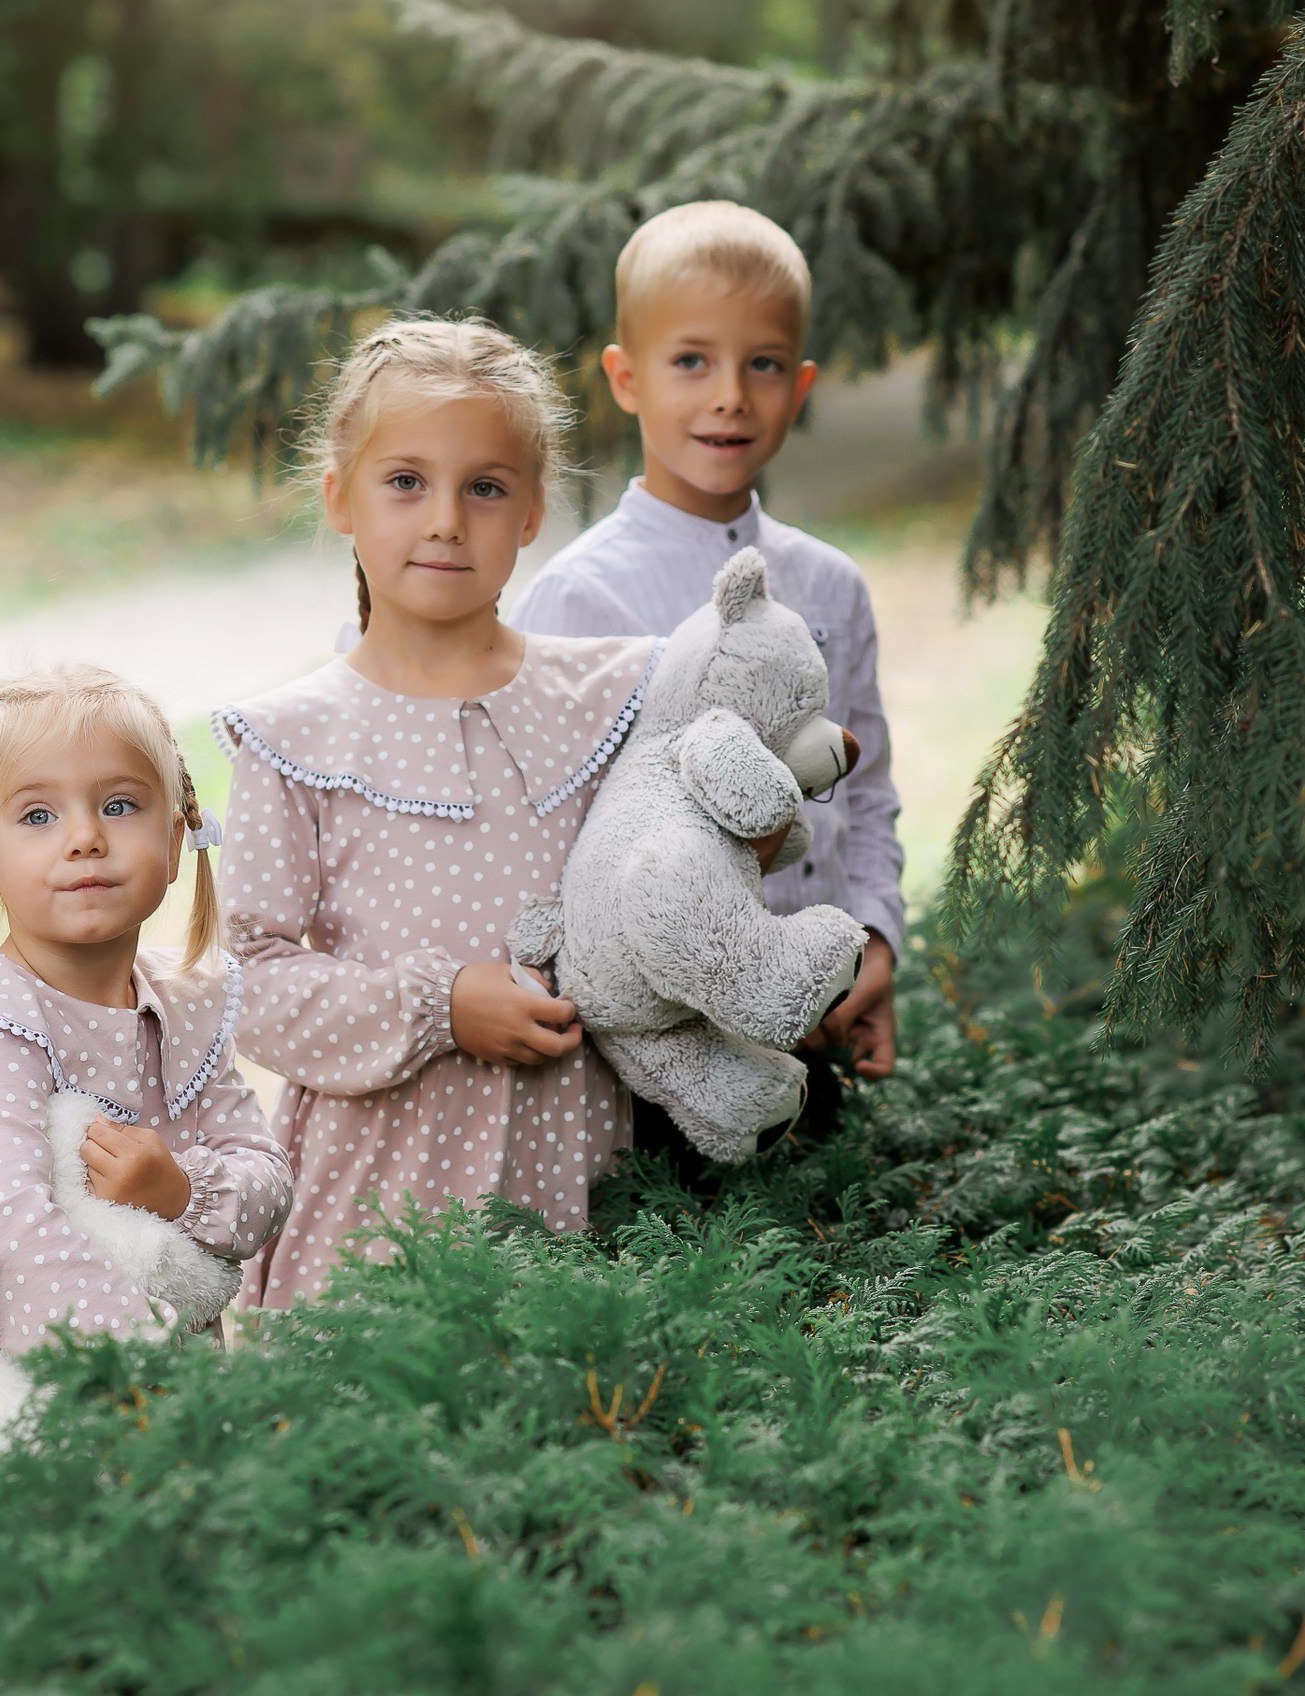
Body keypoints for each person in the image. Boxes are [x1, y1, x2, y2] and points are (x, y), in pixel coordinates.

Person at [215, 317, 659, 1307]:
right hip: (370, 1212)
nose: (447, 519)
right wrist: (439, 1007)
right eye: (405, 482)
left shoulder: (610, 698)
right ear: (340, 498)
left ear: (535, 509)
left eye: (485, 487)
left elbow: (686, 861)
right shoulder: (297, 738)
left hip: (572, 1198)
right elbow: (251, 985)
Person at [0, 665, 292, 1561]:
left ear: (177, 840)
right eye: (37, 816)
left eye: (119, 806)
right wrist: (119, 1379)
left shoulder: (185, 1014)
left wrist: (183, 1189)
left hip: (171, 1396)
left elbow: (265, 1188)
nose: (84, 840)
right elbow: (7, 1232)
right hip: (27, 1395)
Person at [512, 201, 904, 1152]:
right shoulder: (580, 599)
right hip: (651, 1064)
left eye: (763, 363)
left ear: (800, 384)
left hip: (817, 1034)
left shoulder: (830, 586)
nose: (730, 394)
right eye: (691, 360)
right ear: (626, 377)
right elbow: (549, 842)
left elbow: (873, 792)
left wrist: (877, 945)